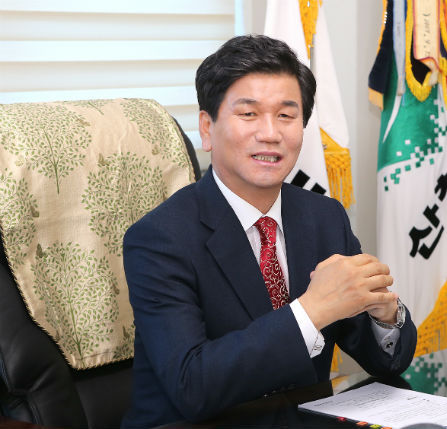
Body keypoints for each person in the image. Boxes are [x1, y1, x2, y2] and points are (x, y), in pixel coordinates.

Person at [121, 34, 417, 429]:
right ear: (207, 128)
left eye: (286, 115)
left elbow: (387, 361)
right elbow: (191, 386)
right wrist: (312, 310)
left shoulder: (324, 217)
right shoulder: (159, 238)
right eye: (248, 114)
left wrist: (385, 316)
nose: (270, 133)